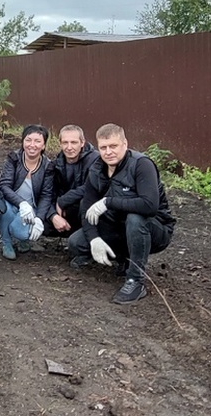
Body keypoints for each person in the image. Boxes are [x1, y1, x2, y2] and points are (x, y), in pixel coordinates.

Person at [68, 123, 176, 305]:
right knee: (76, 243)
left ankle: (135, 280)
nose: (108, 152)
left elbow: (149, 205)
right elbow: (87, 208)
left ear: (125, 144)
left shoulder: (142, 165)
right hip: (117, 226)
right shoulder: (96, 170)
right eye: (103, 147)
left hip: (153, 228)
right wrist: (94, 239)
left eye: (113, 146)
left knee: (135, 219)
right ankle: (123, 258)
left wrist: (108, 201)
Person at [0, 124, 52, 260]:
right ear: (23, 142)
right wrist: (21, 203)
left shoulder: (48, 166)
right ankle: (6, 243)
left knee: (21, 232)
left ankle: (22, 240)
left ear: (43, 145)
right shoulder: (14, 158)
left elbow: (46, 195)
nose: (32, 145)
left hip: (32, 208)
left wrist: (39, 219)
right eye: (28, 140)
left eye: (37, 141)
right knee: (5, 210)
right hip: (11, 202)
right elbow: (4, 186)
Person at [49, 124, 99, 237]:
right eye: (65, 142)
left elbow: (92, 186)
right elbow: (48, 193)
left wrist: (63, 201)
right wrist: (53, 215)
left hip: (87, 208)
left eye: (74, 142)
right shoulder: (55, 164)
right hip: (65, 210)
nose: (69, 147)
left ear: (82, 143)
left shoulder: (96, 160)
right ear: (60, 144)